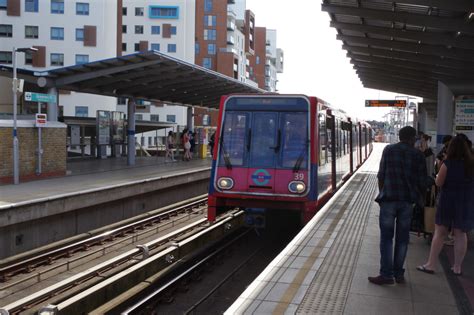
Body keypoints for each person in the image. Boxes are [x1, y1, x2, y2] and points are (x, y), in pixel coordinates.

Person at [368, 126, 428, 285]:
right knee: (402, 239)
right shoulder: (418, 155)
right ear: (412, 138)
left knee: (386, 239)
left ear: (400, 136)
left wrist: (382, 193)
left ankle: (386, 275)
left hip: (388, 199)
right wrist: (420, 197)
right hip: (407, 202)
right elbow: (423, 182)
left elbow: (381, 175)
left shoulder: (389, 150)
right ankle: (399, 274)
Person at [417, 135, 474, 275]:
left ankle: (431, 265)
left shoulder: (448, 164)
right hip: (466, 202)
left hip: (448, 200)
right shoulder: (472, 164)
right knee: (460, 234)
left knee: (440, 232)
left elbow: (439, 183)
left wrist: (437, 177)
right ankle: (457, 267)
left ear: (452, 148)